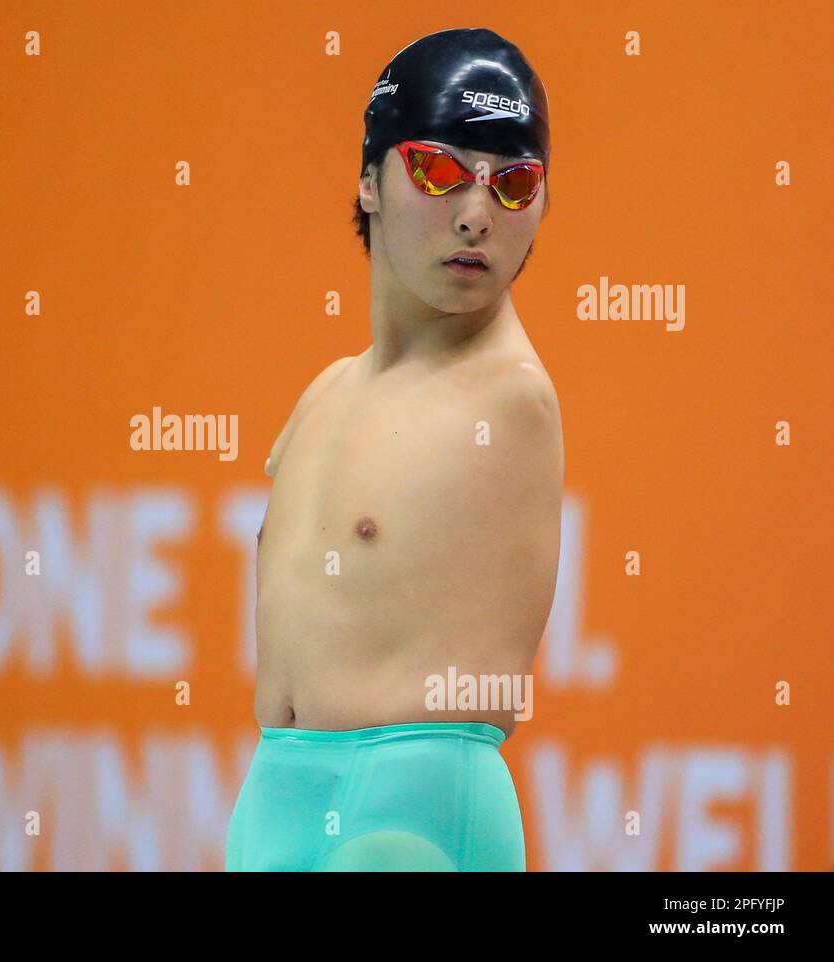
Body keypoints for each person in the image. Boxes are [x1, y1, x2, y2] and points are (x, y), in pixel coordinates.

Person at [226, 27, 564, 871]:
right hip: (274, 802)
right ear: (369, 181)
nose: (477, 213)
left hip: (414, 820)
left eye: (514, 182)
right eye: (440, 169)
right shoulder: (322, 399)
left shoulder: (511, 397)